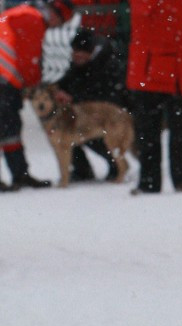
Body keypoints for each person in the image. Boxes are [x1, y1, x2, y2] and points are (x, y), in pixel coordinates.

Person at [126, 0, 182, 194]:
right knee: (153, 130)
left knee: (177, 129)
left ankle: (177, 182)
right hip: (153, 72)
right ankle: (154, 182)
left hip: (173, 72)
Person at [0, 0, 74, 191]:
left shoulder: (24, 14)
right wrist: (43, 88)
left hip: (6, 80)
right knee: (9, 127)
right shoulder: (33, 20)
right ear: (55, 14)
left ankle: (20, 174)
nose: (60, 26)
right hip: (4, 79)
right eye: (63, 21)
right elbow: (29, 61)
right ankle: (19, 174)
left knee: (9, 128)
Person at [55, 26, 130, 182]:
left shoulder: (108, 66)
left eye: (80, 53)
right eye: (75, 52)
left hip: (110, 118)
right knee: (69, 132)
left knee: (108, 142)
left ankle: (116, 167)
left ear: (90, 52)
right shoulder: (78, 66)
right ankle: (83, 170)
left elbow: (106, 94)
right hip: (92, 119)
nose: (76, 56)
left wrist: (73, 97)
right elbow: (66, 82)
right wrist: (58, 91)